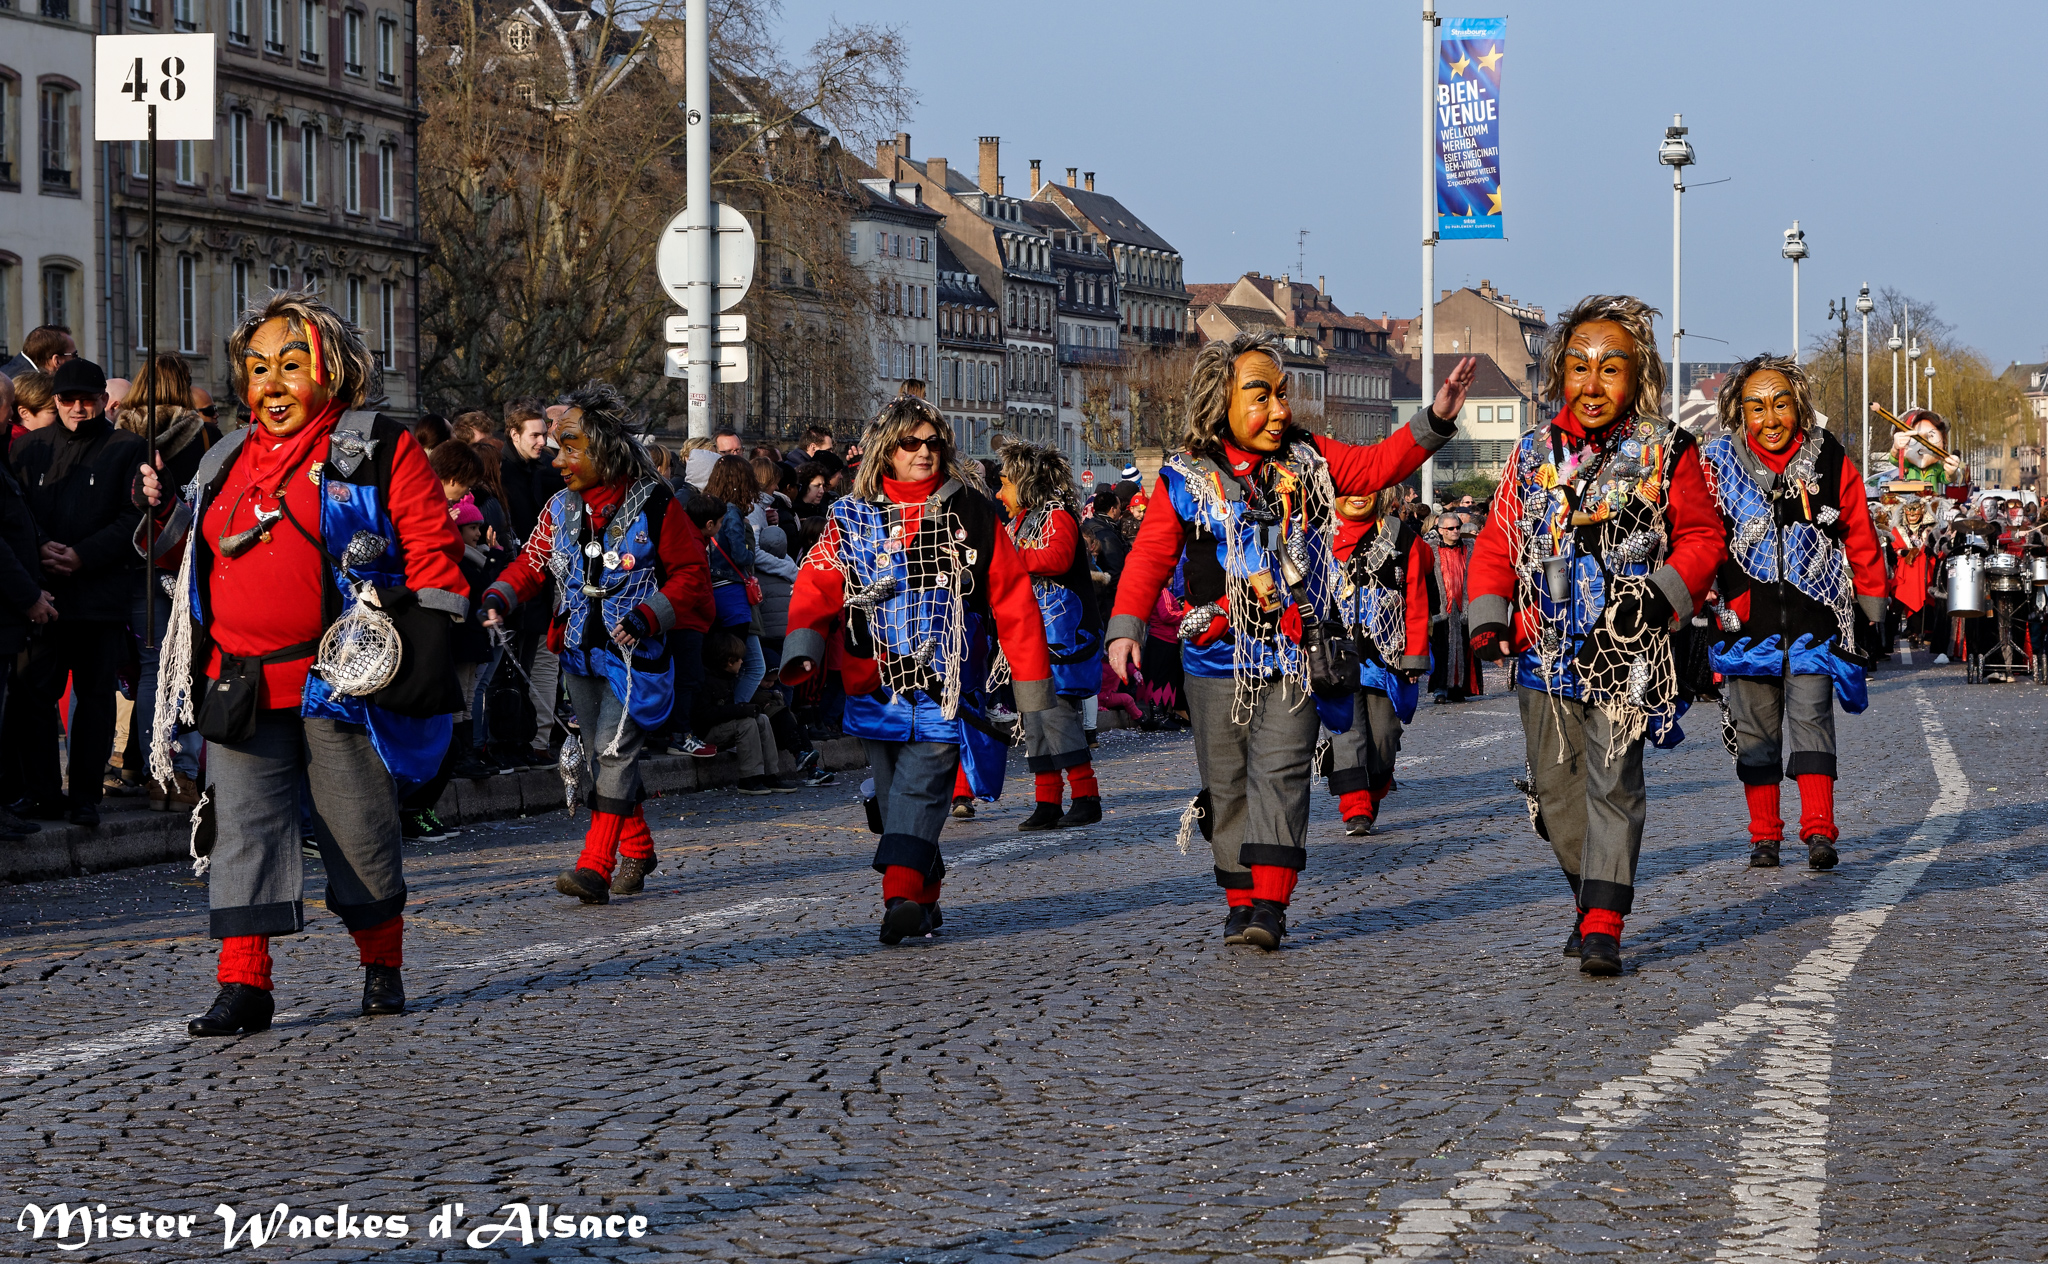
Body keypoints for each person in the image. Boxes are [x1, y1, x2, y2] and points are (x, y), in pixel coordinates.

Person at [138, 291, 468, 1034]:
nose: (272, 385)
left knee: (359, 831)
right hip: (240, 681)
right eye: (257, 369)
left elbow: (435, 554)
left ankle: (382, 966)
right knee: (240, 832)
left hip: (340, 682)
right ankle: (244, 983)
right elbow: (175, 555)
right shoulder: (223, 456)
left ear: (334, 371)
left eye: (291, 365)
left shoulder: (378, 445)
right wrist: (156, 510)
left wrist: (419, 657)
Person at [1106, 330, 1472, 950]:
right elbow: (1147, 557)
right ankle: (1239, 897)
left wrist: (1435, 417)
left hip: (1294, 653)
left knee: (1280, 773)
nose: (1280, 410)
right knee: (1225, 784)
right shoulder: (1183, 477)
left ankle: (1269, 906)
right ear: (1219, 400)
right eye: (1261, 396)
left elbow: (1380, 464)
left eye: (1282, 394)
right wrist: (1125, 627)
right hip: (1213, 654)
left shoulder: (1308, 459)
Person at [1465, 295, 1726, 978]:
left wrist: (1663, 596)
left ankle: (1605, 921)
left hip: (1627, 652)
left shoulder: (1668, 451)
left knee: (1614, 783)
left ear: (1637, 378)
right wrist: (1489, 615)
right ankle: (1590, 895)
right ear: (1559, 373)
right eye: (1579, 366)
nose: (1591, 382)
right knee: (1557, 793)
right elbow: (1497, 539)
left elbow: (1702, 539)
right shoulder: (1528, 455)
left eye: (1611, 368)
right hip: (1542, 655)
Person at [781, 395, 1055, 945]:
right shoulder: (849, 514)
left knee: (924, 789)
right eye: (912, 443)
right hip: (872, 679)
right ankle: (925, 894)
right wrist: (804, 645)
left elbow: (1012, 596)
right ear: (888, 449)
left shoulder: (972, 510)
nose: (925, 452)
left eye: (934, 443)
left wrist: (1029, 685)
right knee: (890, 798)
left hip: (948, 682)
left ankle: (900, 897)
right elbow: (816, 581)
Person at [481, 383, 713, 903]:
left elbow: (692, 576)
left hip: (636, 658)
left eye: (570, 447)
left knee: (612, 752)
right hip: (578, 653)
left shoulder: (656, 504)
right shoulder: (560, 507)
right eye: (557, 446)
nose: (558, 458)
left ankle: (595, 866)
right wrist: (499, 595)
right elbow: (533, 563)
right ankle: (638, 846)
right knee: (596, 757)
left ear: (603, 448)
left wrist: (651, 615)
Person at [1700, 354, 1886, 872]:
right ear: (1739, 412)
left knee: (1812, 722)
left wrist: (1872, 596)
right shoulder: (1714, 463)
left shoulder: (1827, 455)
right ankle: (1764, 837)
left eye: (1781, 404)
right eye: (1756, 407)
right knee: (1755, 734)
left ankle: (1820, 832)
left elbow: (1858, 529)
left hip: (1814, 619)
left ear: (1798, 406)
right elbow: (1696, 538)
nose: (1771, 418)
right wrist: (1685, 600)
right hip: (1744, 622)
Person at [9, 359, 147, 827]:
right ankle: (41, 790)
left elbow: (136, 517)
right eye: (67, 400)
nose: (77, 409)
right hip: (43, 594)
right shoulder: (28, 449)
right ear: (55, 401)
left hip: (98, 594)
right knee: (33, 695)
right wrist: (42, 545)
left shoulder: (128, 447)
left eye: (87, 400)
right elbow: (17, 510)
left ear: (103, 402)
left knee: (93, 698)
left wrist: (83, 555)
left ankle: (85, 794)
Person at [112, 353, 211, 810]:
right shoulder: (195, 434)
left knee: (150, 668)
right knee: (183, 668)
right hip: (181, 562)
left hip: (135, 563)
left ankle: (152, 771)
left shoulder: (120, 434)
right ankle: (179, 773)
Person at [994, 437, 1105, 830]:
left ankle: (1086, 795)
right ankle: (1047, 800)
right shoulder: (1018, 519)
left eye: (1004, 481)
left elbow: (1055, 559)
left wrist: (1006, 558)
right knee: (1034, 719)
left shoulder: (1056, 516)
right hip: (1029, 635)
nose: (998, 490)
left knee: (1058, 716)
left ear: (1024, 480)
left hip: (1062, 634)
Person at [1327, 487, 1433, 836]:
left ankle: (1373, 792)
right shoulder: (1321, 531)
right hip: (1335, 652)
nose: (1357, 497)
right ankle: (1354, 807)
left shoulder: (1401, 536)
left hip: (1385, 655)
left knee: (1385, 735)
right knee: (1346, 731)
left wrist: (1414, 657)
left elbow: (1416, 595)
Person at [692, 631, 799, 794]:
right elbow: (704, 715)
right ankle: (749, 777)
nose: (742, 662)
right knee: (746, 723)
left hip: (722, 726)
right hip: (707, 733)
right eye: (739, 659)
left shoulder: (729, 678)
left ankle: (771, 774)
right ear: (729, 662)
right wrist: (740, 710)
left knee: (762, 719)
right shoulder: (707, 681)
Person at [703, 454, 767, 707]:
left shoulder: (713, 507)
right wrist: (752, 554)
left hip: (716, 591)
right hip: (732, 595)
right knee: (752, 666)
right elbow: (740, 554)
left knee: (730, 662)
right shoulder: (732, 512)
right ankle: (733, 710)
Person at [1428, 509, 1483, 703]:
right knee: (1441, 649)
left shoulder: (1470, 548)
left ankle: (1461, 687)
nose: (1455, 531)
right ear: (1441, 530)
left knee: (1466, 650)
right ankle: (1440, 688)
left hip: (1465, 606)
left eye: (1457, 527)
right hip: (1441, 608)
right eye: (1450, 528)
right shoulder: (1431, 550)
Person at [1082, 489, 1130, 581]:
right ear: (1113, 510)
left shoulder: (1089, 525)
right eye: (1119, 508)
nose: (1120, 511)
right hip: (1105, 588)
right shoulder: (1107, 536)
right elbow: (1114, 572)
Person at [1, 325, 77, 379]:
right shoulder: (24, 388)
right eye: (74, 355)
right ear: (57, 361)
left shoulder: (9, 376)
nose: (76, 360)